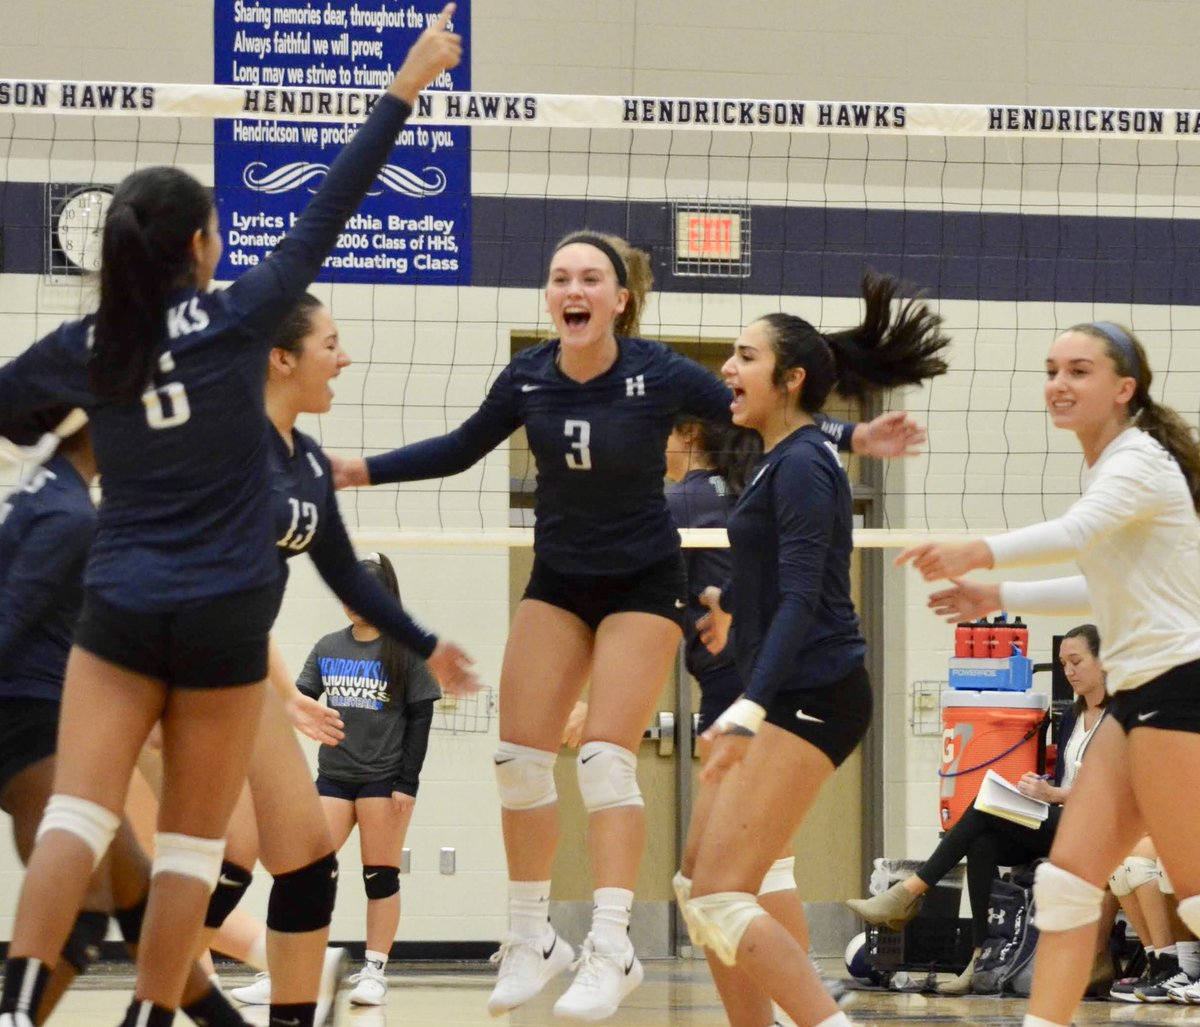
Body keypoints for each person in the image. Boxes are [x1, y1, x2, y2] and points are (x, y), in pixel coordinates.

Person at [0, 13, 463, 1027]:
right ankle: (158, 1019)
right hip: (219, 624)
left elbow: (10, 402)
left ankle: (16, 1011)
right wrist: (402, 86)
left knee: (76, 818)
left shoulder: (90, 342)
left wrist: (60, 424)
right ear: (204, 244)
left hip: (118, 606)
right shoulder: (243, 316)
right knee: (191, 854)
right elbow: (331, 205)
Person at [333, 233, 924, 1020]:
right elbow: (461, 447)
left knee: (636, 792)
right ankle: (533, 936)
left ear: (620, 299)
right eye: (558, 277)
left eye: (590, 278)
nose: (572, 289)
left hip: (685, 613)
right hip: (573, 586)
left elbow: (785, 457)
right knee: (533, 769)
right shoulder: (532, 377)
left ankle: (616, 943)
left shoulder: (673, 381)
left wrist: (851, 437)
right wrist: (357, 470)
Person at [895, 320, 1200, 1027]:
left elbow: (1074, 535)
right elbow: (1099, 583)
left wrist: (979, 550)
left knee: (1191, 893)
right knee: (1065, 884)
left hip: (1181, 684)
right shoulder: (1113, 465)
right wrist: (998, 597)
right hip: (1138, 694)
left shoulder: (1137, 461)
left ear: (1124, 388)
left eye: (1080, 371)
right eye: (1052, 369)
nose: (1059, 384)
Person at [677, 273, 949, 1027]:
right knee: (701, 882)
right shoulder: (780, 452)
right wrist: (732, 608)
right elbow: (776, 577)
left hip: (812, 691)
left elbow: (803, 596)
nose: (727, 369)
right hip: (786, 686)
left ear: (789, 377)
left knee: (720, 894)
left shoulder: (799, 465)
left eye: (743, 355)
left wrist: (748, 706)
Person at [0, 411, 263, 1027]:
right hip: (26, 718)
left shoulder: (42, 494)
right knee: (87, 900)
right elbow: (12, 625)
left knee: (136, 889)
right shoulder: (70, 518)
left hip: (35, 710)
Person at [846, 624, 1110, 994]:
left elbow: (1114, 793)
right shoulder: (1069, 717)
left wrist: (1054, 795)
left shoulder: (1122, 718)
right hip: (1061, 823)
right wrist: (1039, 789)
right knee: (981, 842)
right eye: (1064, 662)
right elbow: (1065, 777)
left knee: (983, 807)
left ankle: (910, 892)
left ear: (1104, 661)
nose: (1068, 670)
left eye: (1077, 661)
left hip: (1097, 830)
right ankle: (979, 958)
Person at [291, 552, 441, 1007]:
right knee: (304, 873)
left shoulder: (406, 648)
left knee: (380, 876)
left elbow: (420, 719)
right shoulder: (327, 646)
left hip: (383, 779)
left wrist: (407, 784)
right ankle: (291, 966)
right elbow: (299, 698)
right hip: (334, 776)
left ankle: (374, 970)